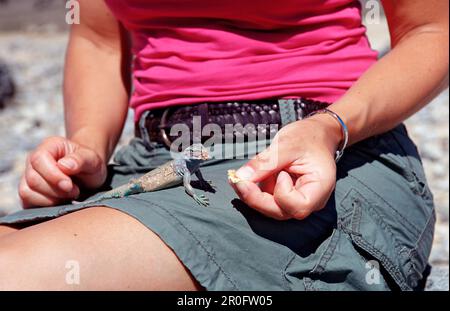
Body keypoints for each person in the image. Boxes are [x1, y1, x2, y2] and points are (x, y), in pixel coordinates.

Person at [0, 0, 447, 290]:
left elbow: (433, 31)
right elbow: (97, 38)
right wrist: (88, 146)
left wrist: (329, 127)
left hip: (319, 158)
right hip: (157, 160)